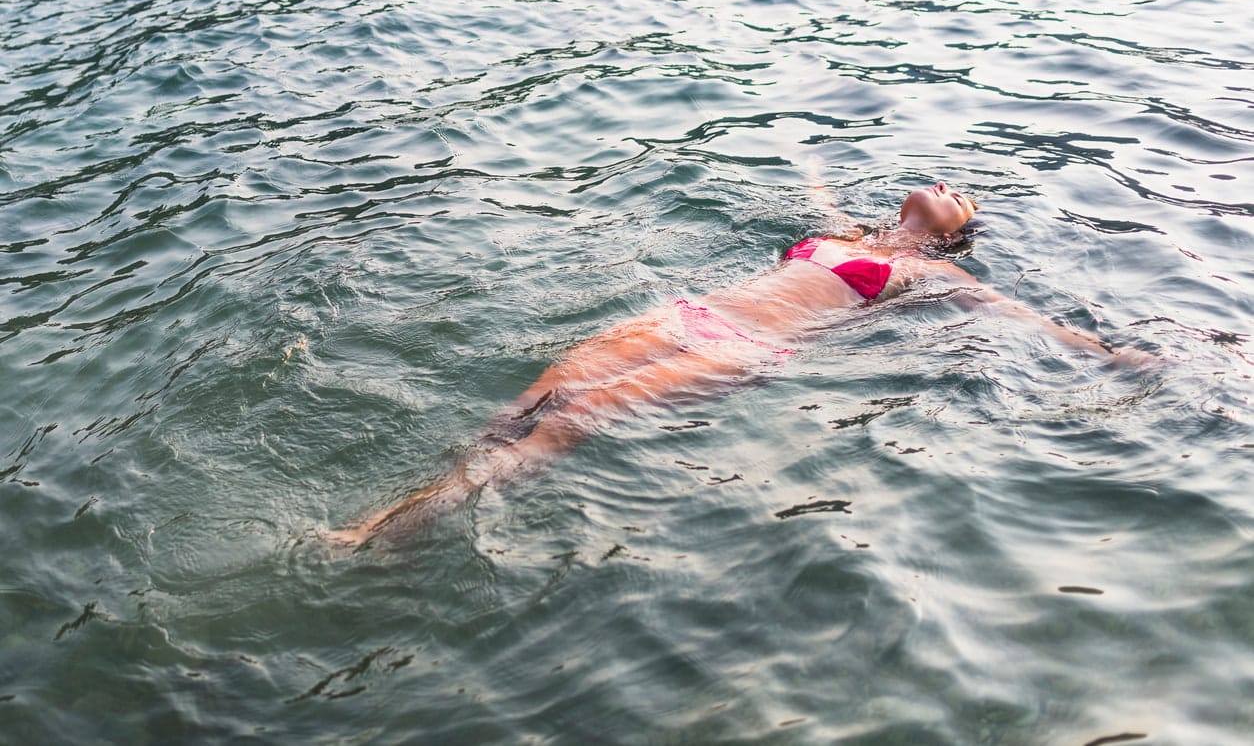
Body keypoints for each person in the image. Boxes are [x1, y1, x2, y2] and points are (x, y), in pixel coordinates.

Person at [325, 181, 1137, 547]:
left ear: (957, 233)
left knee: (574, 419)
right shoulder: (849, 237)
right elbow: (815, 189)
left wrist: (1111, 353)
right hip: (686, 314)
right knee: (544, 390)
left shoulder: (935, 273)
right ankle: (427, 496)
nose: (945, 183)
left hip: (744, 346)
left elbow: (1024, 319)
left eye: (962, 194)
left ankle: (384, 532)